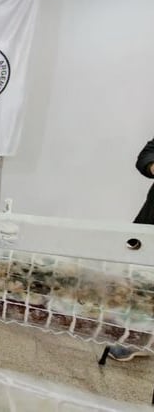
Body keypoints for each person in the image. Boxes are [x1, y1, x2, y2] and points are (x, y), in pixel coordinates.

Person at [108, 136, 154, 361]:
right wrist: (152, 165)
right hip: (151, 221)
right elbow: (146, 155)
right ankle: (138, 339)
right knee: (141, 280)